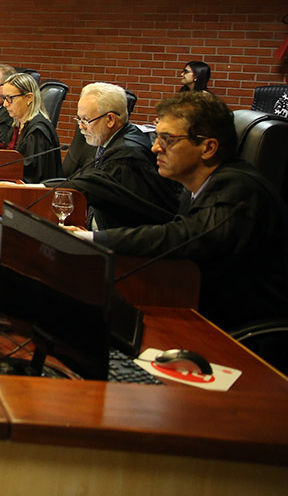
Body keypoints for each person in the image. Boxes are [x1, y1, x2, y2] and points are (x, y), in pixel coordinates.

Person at [73, 92, 288, 333]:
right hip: (200, 308)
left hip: (244, 335)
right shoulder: (197, 187)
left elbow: (185, 237)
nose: (155, 147)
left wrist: (91, 240)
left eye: (167, 139)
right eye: (157, 137)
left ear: (208, 148)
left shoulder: (238, 190)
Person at [58, 83, 180, 229]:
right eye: (79, 119)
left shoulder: (125, 156)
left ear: (110, 119)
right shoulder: (114, 140)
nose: (81, 126)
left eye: (86, 119)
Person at [0, 71, 60, 182]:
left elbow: (28, 172)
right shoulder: (18, 124)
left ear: (29, 98)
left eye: (10, 98)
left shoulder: (37, 131)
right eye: (4, 98)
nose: (5, 104)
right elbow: (13, 155)